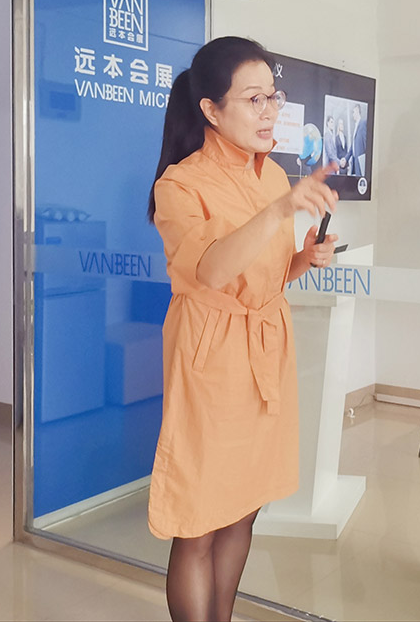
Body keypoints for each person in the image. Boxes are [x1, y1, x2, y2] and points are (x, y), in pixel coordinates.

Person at [146, 36, 339, 622]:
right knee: (199, 519)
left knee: (243, 508)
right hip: (211, 361)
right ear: (210, 109)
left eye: (272, 97)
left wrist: (303, 259)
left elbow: (264, 274)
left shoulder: (272, 176)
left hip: (265, 352)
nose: (269, 111)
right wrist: (280, 211)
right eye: (253, 99)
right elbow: (211, 269)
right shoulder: (179, 185)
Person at [349, 103, 367, 177]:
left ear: (357, 110)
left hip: (361, 161)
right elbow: (353, 146)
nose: (352, 114)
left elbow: (365, 143)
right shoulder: (355, 126)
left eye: (353, 112)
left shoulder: (363, 124)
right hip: (355, 162)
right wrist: (346, 158)